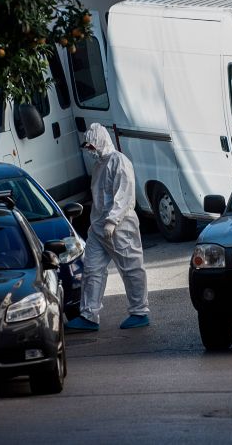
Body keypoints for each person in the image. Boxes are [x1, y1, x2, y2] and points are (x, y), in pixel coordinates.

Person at [64, 123, 150, 331]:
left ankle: (139, 312)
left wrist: (111, 222)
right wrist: (97, 225)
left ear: (101, 142)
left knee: (131, 269)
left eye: (92, 146)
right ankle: (89, 315)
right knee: (92, 270)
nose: (91, 151)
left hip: (121, 227)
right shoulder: (99, 166)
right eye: (88, 148)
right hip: (99, 227)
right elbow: (100, 199)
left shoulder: (119, 162)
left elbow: (124, 196)